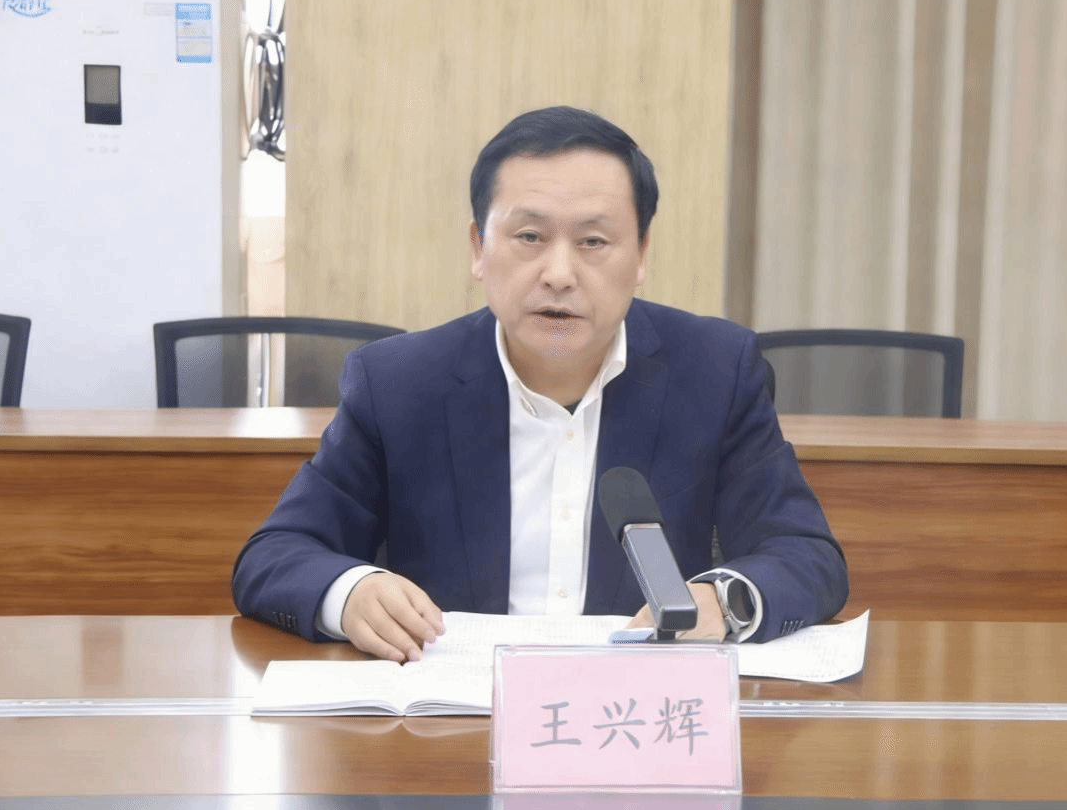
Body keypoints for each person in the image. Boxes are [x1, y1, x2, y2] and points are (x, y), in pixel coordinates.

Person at [231, 106, 848, 661]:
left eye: (593, 242)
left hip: (636, 714)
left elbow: (806, 555)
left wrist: (725, 601)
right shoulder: (397, 383)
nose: (559, 273)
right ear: (478, 247)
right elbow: (274, 555)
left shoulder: (716, 371)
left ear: (641, 255)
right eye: (529, 237)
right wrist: (350, 592)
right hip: (454, 720)